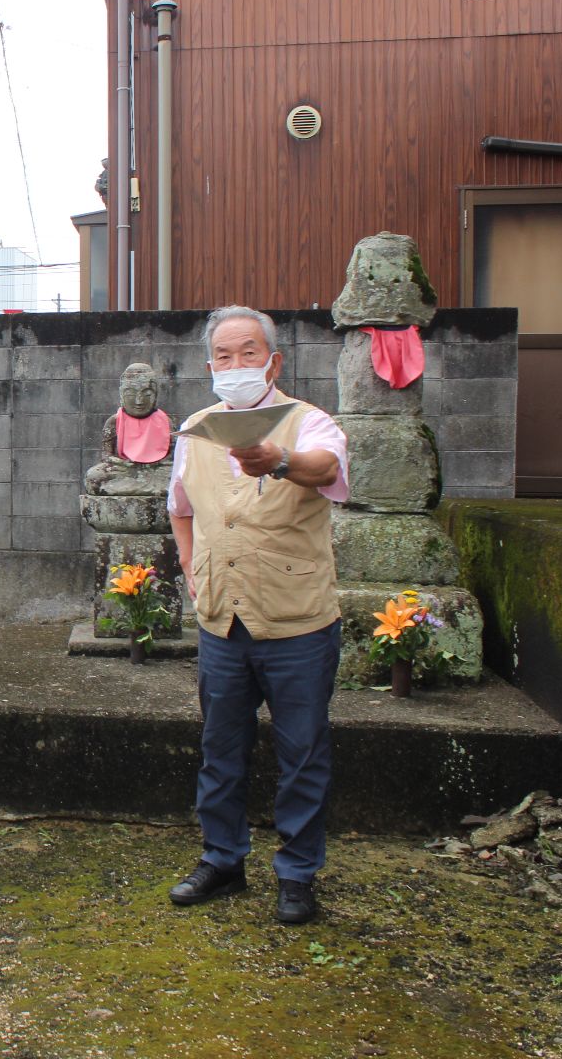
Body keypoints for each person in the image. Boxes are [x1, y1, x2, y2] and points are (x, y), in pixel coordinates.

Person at [166, 305, 349, 926]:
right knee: (221, 747)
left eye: (248, 353)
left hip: (297, 620)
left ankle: (297, 873)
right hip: (222, 620)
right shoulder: (195, 427)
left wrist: (277, 461)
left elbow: (325, 469)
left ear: (274, 360)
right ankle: (223, 857)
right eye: (223, 355)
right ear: (209, 365)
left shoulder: (310, 422)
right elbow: (182, 505)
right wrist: (191, 569)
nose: (235, 365)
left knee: (302, 752)